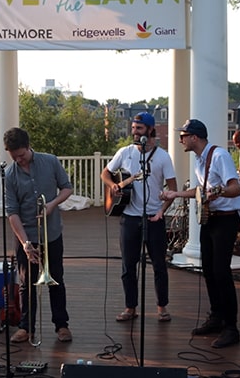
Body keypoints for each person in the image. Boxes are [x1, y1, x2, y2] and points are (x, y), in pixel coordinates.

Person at [161, 118, 240, 348]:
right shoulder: (200, 160)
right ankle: (216, 317)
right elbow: (201, 191)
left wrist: (218, 192)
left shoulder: (219, 156)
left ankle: (231, 327)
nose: (180, 140)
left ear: (194, 137)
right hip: (210, 219)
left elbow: (235, 188)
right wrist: (175, 194)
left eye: (183, 136)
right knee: (208, 270)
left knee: (221, 272)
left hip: (226, 220)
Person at [101, 112, 177, 323]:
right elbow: (105, 173)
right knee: (128, 265)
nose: (134, 132)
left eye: (139, 129)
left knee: (159, 265)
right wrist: (113, 186)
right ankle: (130, 307)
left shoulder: (163, 157)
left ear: (150, 130)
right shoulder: (124, 152)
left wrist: (162, 210)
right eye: (133, 128)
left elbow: (173, 189)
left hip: (154, 218)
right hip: (129, 217)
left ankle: (162, 307)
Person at [3, 127, 73, 344]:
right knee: (26, 283)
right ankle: (26, 327)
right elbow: (12, 212)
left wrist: (51, 205)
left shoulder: (50, 161)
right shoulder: (10, 175)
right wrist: (24, 243)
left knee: (56, 280)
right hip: (26, 235)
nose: (19, 161)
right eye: (15, 157)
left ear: (28, 147)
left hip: (51, 233)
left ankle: (61, 325)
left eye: (22, 155)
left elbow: (67, 188)